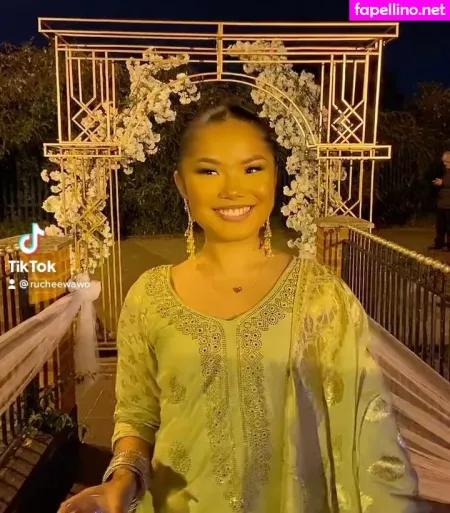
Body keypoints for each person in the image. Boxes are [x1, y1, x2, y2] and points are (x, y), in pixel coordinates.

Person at [59, 104, 423, 513]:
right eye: (209, 171)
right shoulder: (149, 297)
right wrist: (123, 479)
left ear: (275, 177)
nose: (232, 189)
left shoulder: (321, 296)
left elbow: (369, 426)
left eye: (251, 168)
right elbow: (137, 414)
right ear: (182, 184)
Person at [430, 151, 450, 252]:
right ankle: (439, 243)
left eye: (447, 161)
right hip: (443, 203)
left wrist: (443, 182)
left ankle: (449, 245)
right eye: (444, 161)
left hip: (448, 204)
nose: (445, 164)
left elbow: (446, 182)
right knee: (440, 226)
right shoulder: (445, 171)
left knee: (449, 226)